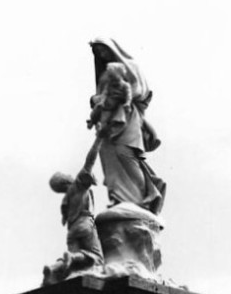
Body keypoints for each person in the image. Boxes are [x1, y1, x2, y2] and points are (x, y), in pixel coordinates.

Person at [88, 38, 166, 214]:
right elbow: (99, 97)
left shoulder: (130, 66)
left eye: (103, 50)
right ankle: (119, 197)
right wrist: (99, 101)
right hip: (108, 122)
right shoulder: (105, 75)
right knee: (109, 156)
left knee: (126, 153)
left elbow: (140, 91)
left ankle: (146, 196)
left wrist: (116, 98)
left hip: (128, 117)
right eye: (98, 52)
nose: (102, 54)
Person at [44, 136, 104, 281]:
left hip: (72, 230)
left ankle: (52, 269)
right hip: (85, 224)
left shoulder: (65, 200)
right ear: (66, 179)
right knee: (97, 259)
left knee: (74, 265)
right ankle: (70, 256)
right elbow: (90, 160)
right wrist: (99, 138)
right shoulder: (77, 186)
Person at [86, 61, 132, 134]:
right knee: (97, 109)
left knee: (106, 118)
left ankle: (101, 128)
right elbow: (105, 93)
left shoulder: (125, 86)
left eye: (112, 76)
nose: (110, 78)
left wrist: (127, 103)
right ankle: (92, 121)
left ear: (119, 74)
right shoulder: (109, 84)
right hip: (106, 102)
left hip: (114, 105)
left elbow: (128, 96)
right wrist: (102, 101)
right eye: (110, 76)